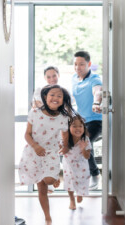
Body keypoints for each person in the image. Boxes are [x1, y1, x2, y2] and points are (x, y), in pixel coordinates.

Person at [18, 84, 75, 225]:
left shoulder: (63, 117)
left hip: (51, 153)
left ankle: (54, 178)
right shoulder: (35, 113)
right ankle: (47, 217)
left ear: (63, 100)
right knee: (42, 188)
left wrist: (65, 145)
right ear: (45, 97)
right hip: (34, 151)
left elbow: (65, 133)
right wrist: (36, 146)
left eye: (59, 96)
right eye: (52, 95)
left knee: (48, 181)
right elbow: (27, 134)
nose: (55, 98)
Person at [71, 50, 102, 190]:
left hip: (96, 120)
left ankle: (95, 175)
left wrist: (96, 103)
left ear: (89, 64)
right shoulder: (74, 78)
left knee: (85, 141)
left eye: (82, 64)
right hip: (81, 121)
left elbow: (98, 91)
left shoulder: (94, 78)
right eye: (76, 64)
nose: (78, 67)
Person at [32, 66, 61, 193]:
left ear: (58, 75)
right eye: (48, 77)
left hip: (56, 129)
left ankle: (52, 178)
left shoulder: (62, 91)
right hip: (41, 129)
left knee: (54, 154)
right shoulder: (40, 90)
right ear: (45, 78)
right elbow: (36, 105)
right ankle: (44, 183)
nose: (51, 79)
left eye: (54, 75)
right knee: (42, 155)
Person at [60, 114, 91, 210]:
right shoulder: (64, 140)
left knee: (82, 181)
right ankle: (72, 200)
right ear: (68, 128)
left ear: (84, 128)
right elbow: (59, 151)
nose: (78, 128)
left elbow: (87, 156)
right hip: (69, 165)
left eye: (80, 126)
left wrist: (83, 149)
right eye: (74, 126)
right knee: (69, 182)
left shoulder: (85, 140)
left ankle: (80, 193)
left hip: (82, 165)